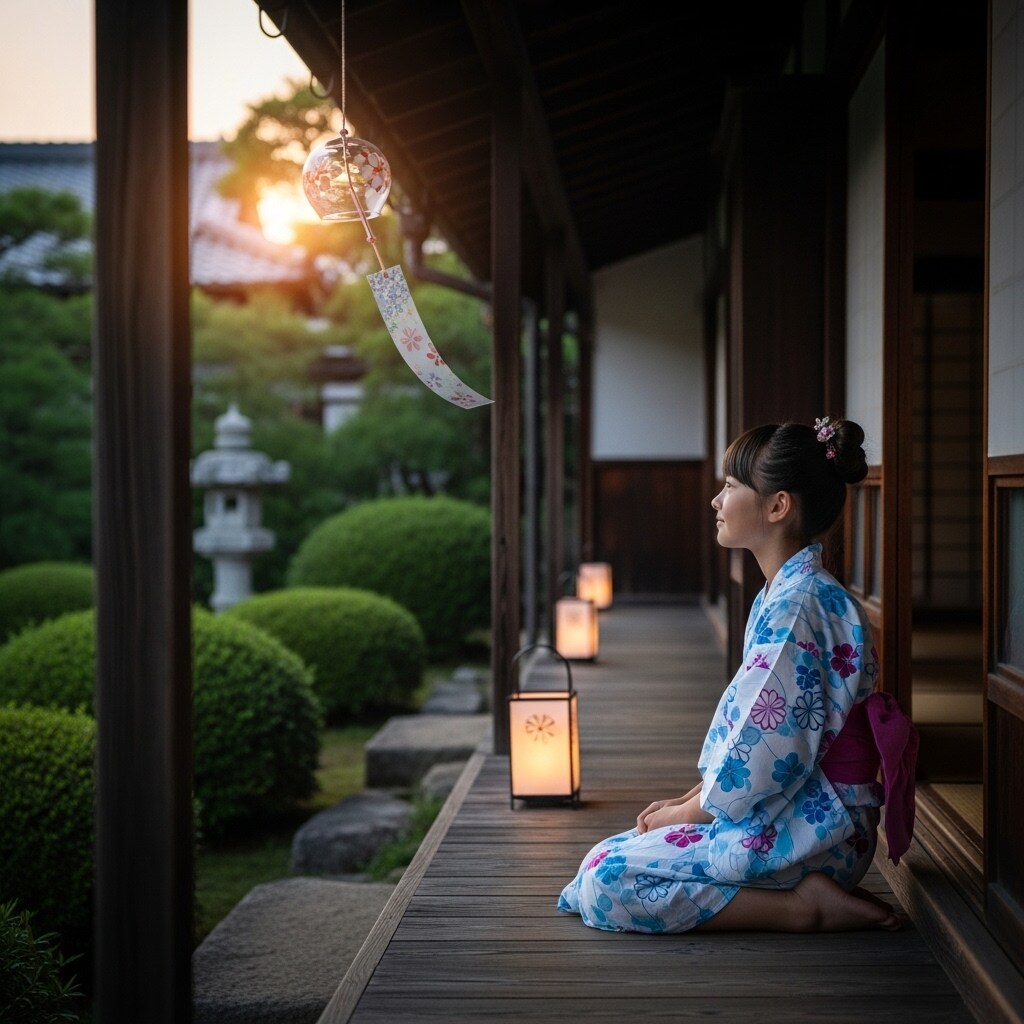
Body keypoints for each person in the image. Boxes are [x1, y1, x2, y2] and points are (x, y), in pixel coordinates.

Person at [557, 417, 918, 934]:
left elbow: (769, 743)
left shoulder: (800, 605)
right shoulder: (789, 594)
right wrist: (690, 799)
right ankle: (800, 895)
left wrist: (689, 815)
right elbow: (758, 738)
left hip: (822, 829)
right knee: (606, 855)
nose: (715, 501)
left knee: (610, 883)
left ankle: (804, 907)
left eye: (729, 486)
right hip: (797, 808)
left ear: (777, 506)